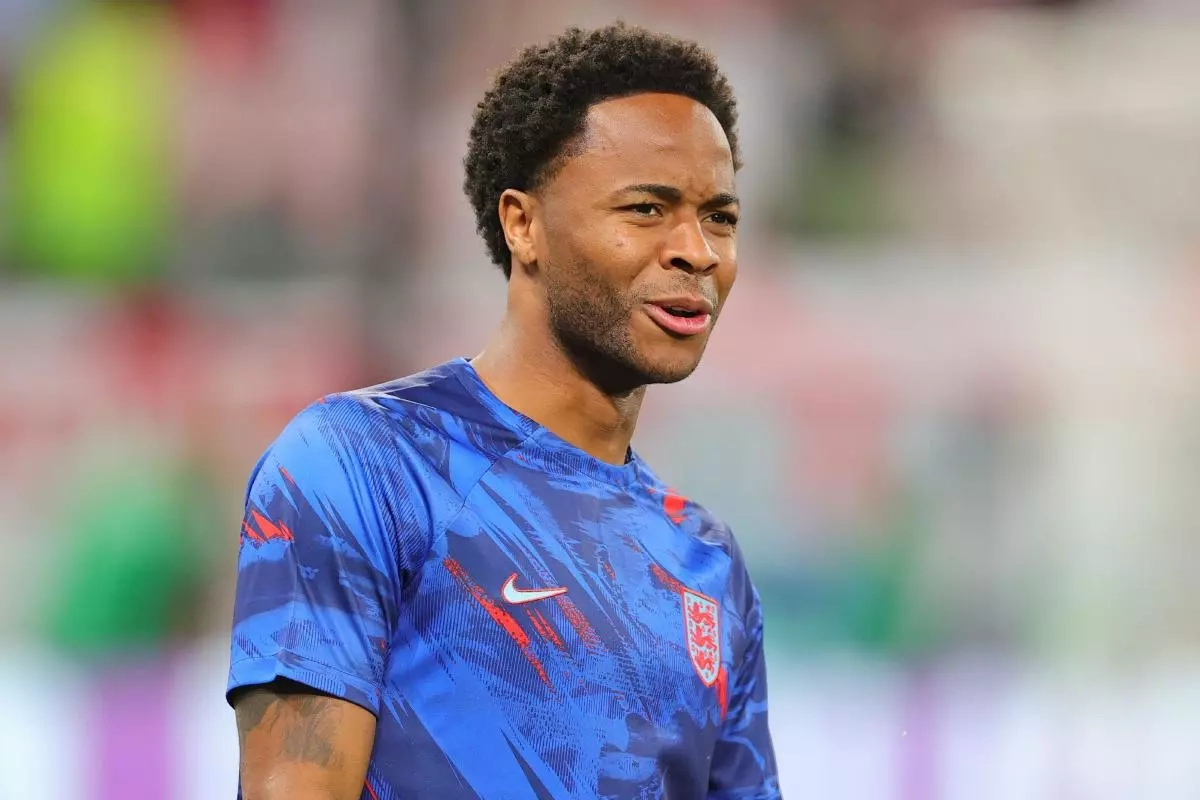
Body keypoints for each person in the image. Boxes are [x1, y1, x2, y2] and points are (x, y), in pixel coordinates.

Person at [227, 22, 780, 800]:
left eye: (720, 216)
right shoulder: (363, 465)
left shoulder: (707, 561)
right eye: (646, 209)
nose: (699, 250)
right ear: (524, 225)